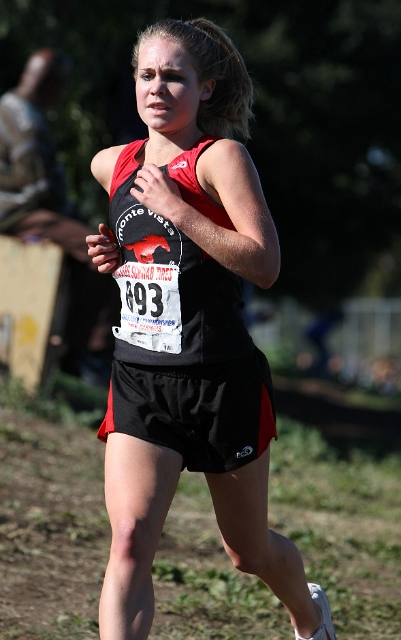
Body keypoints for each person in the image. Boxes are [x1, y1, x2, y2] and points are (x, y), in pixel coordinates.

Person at [86, 18, 338, 640]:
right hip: (141, 377)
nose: (158, 88)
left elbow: (265, 263)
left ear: (206, 87)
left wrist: (178, 209)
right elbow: (153, 258)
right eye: (148, 75)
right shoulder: (111, 164)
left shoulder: (219, 159)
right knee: (128, 544)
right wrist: (117, 259)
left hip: (220, 381)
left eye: (175, 77)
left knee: (246, 553)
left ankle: (310, 619)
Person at [0, 48, 120, 384]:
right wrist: (73, 213)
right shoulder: (26, 122)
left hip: (19, 211)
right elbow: (41, 190)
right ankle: (87, 351)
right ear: (53, 86)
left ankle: (74, 344)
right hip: (19, 214)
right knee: (102, 254)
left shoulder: (7, 108)